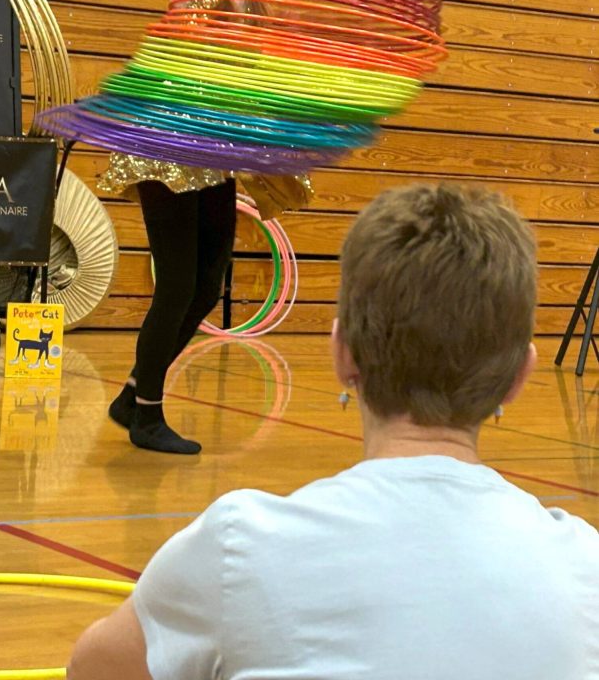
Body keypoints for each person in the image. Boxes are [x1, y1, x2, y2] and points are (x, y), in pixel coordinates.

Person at [67, 183, 599, 679]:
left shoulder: (238, 545)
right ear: (519, 376)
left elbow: (94, 668)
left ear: (342, 355)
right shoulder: (586, 564)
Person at [100, 0, 313, 454]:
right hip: (167, 142)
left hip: (215, 148)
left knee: (205, 285)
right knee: (176, 285)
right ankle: (148, 413)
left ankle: (134, 393)